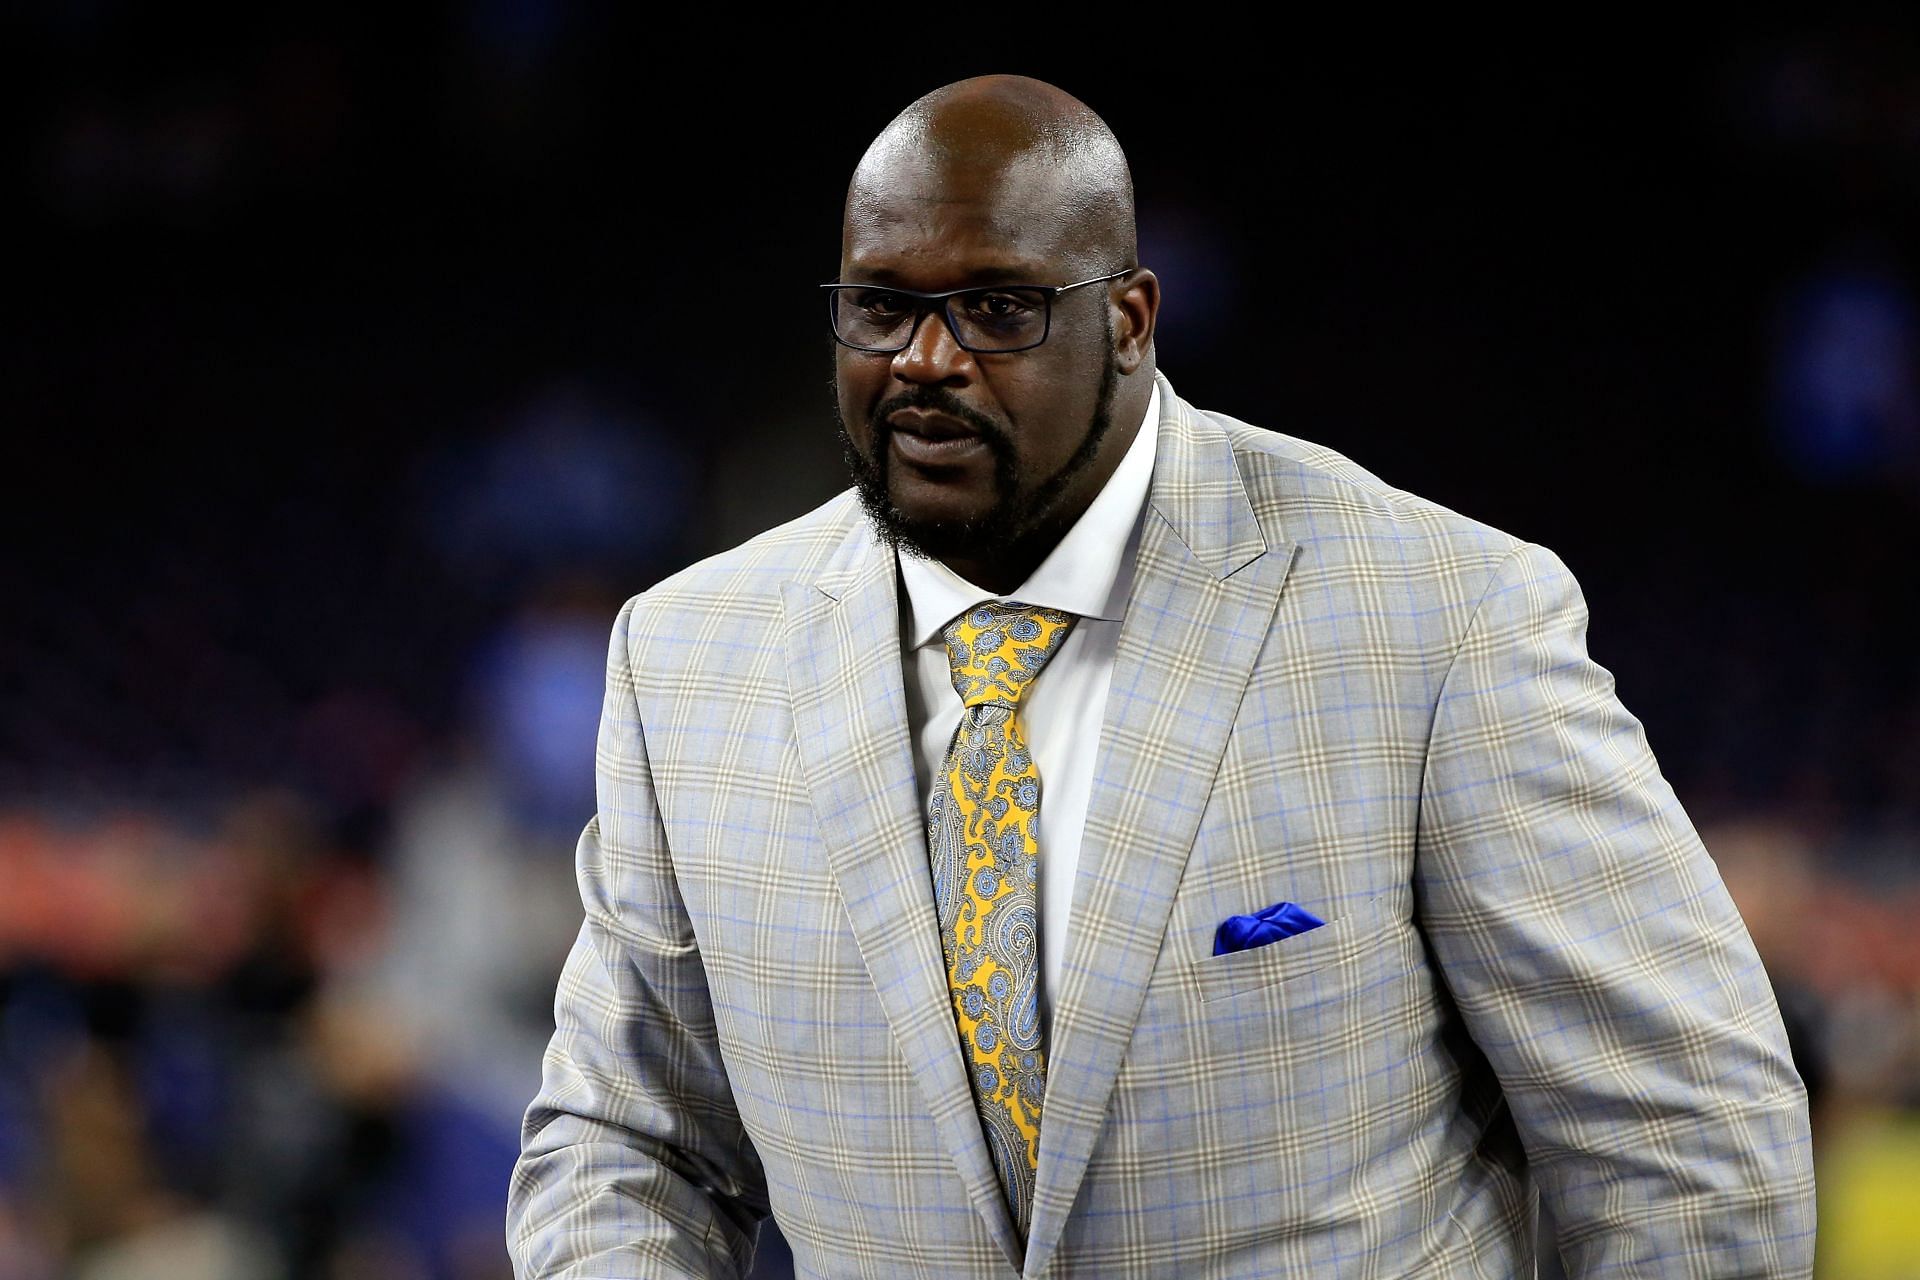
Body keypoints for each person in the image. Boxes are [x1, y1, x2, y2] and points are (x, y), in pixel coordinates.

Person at [506, 75, 1816, 1279]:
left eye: (998, 308)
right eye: (883, 307)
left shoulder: (1434, 619)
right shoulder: (690, 659)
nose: (927, 362)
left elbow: (1686, 1140)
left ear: (1129, 319)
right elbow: (624, 1145)